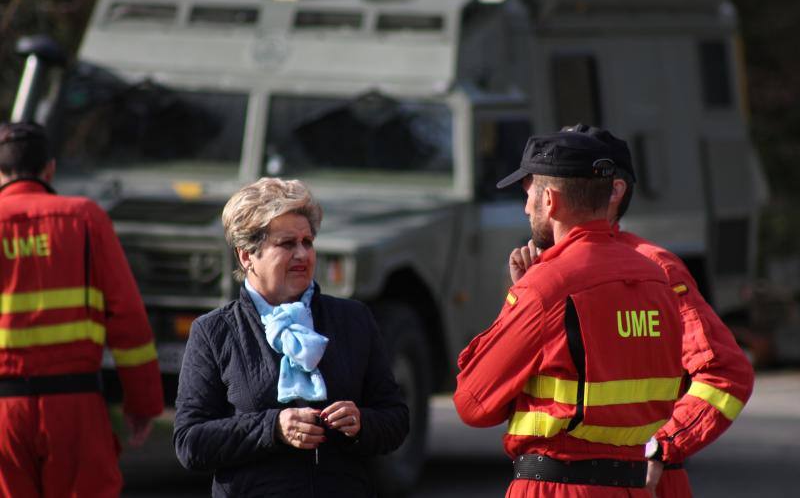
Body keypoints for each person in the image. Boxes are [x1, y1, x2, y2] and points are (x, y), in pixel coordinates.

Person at [509, 124, 755, 497]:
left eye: (562, 178)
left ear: (614, 191)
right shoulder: (544, 274)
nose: (535, 198)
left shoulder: (653, 270)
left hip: (637, 483)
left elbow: (725, 373)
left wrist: (661, 446)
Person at [454, 129, 684, 497]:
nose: (526, 206)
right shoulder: (656, 279)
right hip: (632, 488)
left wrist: (520, 299)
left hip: (555, 487)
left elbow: (473, 403)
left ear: (549, 199)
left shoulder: (546, 286)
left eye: (528, 193)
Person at [173, 177, 409, 497]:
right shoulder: (215, 331)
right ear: (246, 256)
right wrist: (273, 428)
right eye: (287, 244)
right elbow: (190, 443)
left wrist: (361, 422)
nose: (302, 254)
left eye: (307, 242)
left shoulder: (353, 319)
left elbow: (395, 419)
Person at [0, 121, 163, 497]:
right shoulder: (84, 218)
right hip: (74, 408)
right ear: (50, 168)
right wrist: (142, 403)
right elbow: (127, 318)